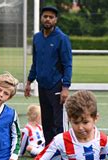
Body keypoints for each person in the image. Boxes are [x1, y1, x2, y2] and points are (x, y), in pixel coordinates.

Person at [24, 5, 72, 146]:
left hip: (56, 85)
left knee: (59, 123)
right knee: (46, 121)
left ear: (56, 20)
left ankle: (63, 154)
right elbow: (36, 62)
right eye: (45, 16)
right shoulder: (37, 38)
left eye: (51, 17)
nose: (48, 19)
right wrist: (29, 81)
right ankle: (50, 153)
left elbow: (67, 64)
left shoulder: (62, 39)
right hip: (42, 86)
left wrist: (65, 87)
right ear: (41, 18)